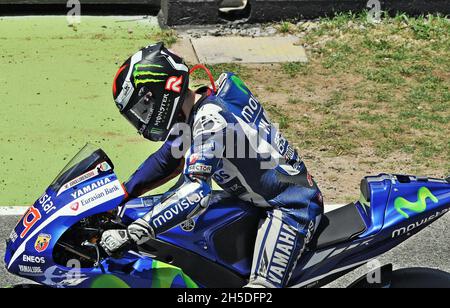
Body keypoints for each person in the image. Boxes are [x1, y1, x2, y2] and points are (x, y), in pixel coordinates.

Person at [100, 42, 323, 288]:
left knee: (258, 291)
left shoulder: (211, 122)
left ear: (163, 92)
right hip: (253, 198)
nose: (143, 118)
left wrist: (134, 233)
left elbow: (196, 191)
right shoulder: (204, 103)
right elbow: (167, 159)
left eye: (144, 106)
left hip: (290, 207)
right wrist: (120, 194)